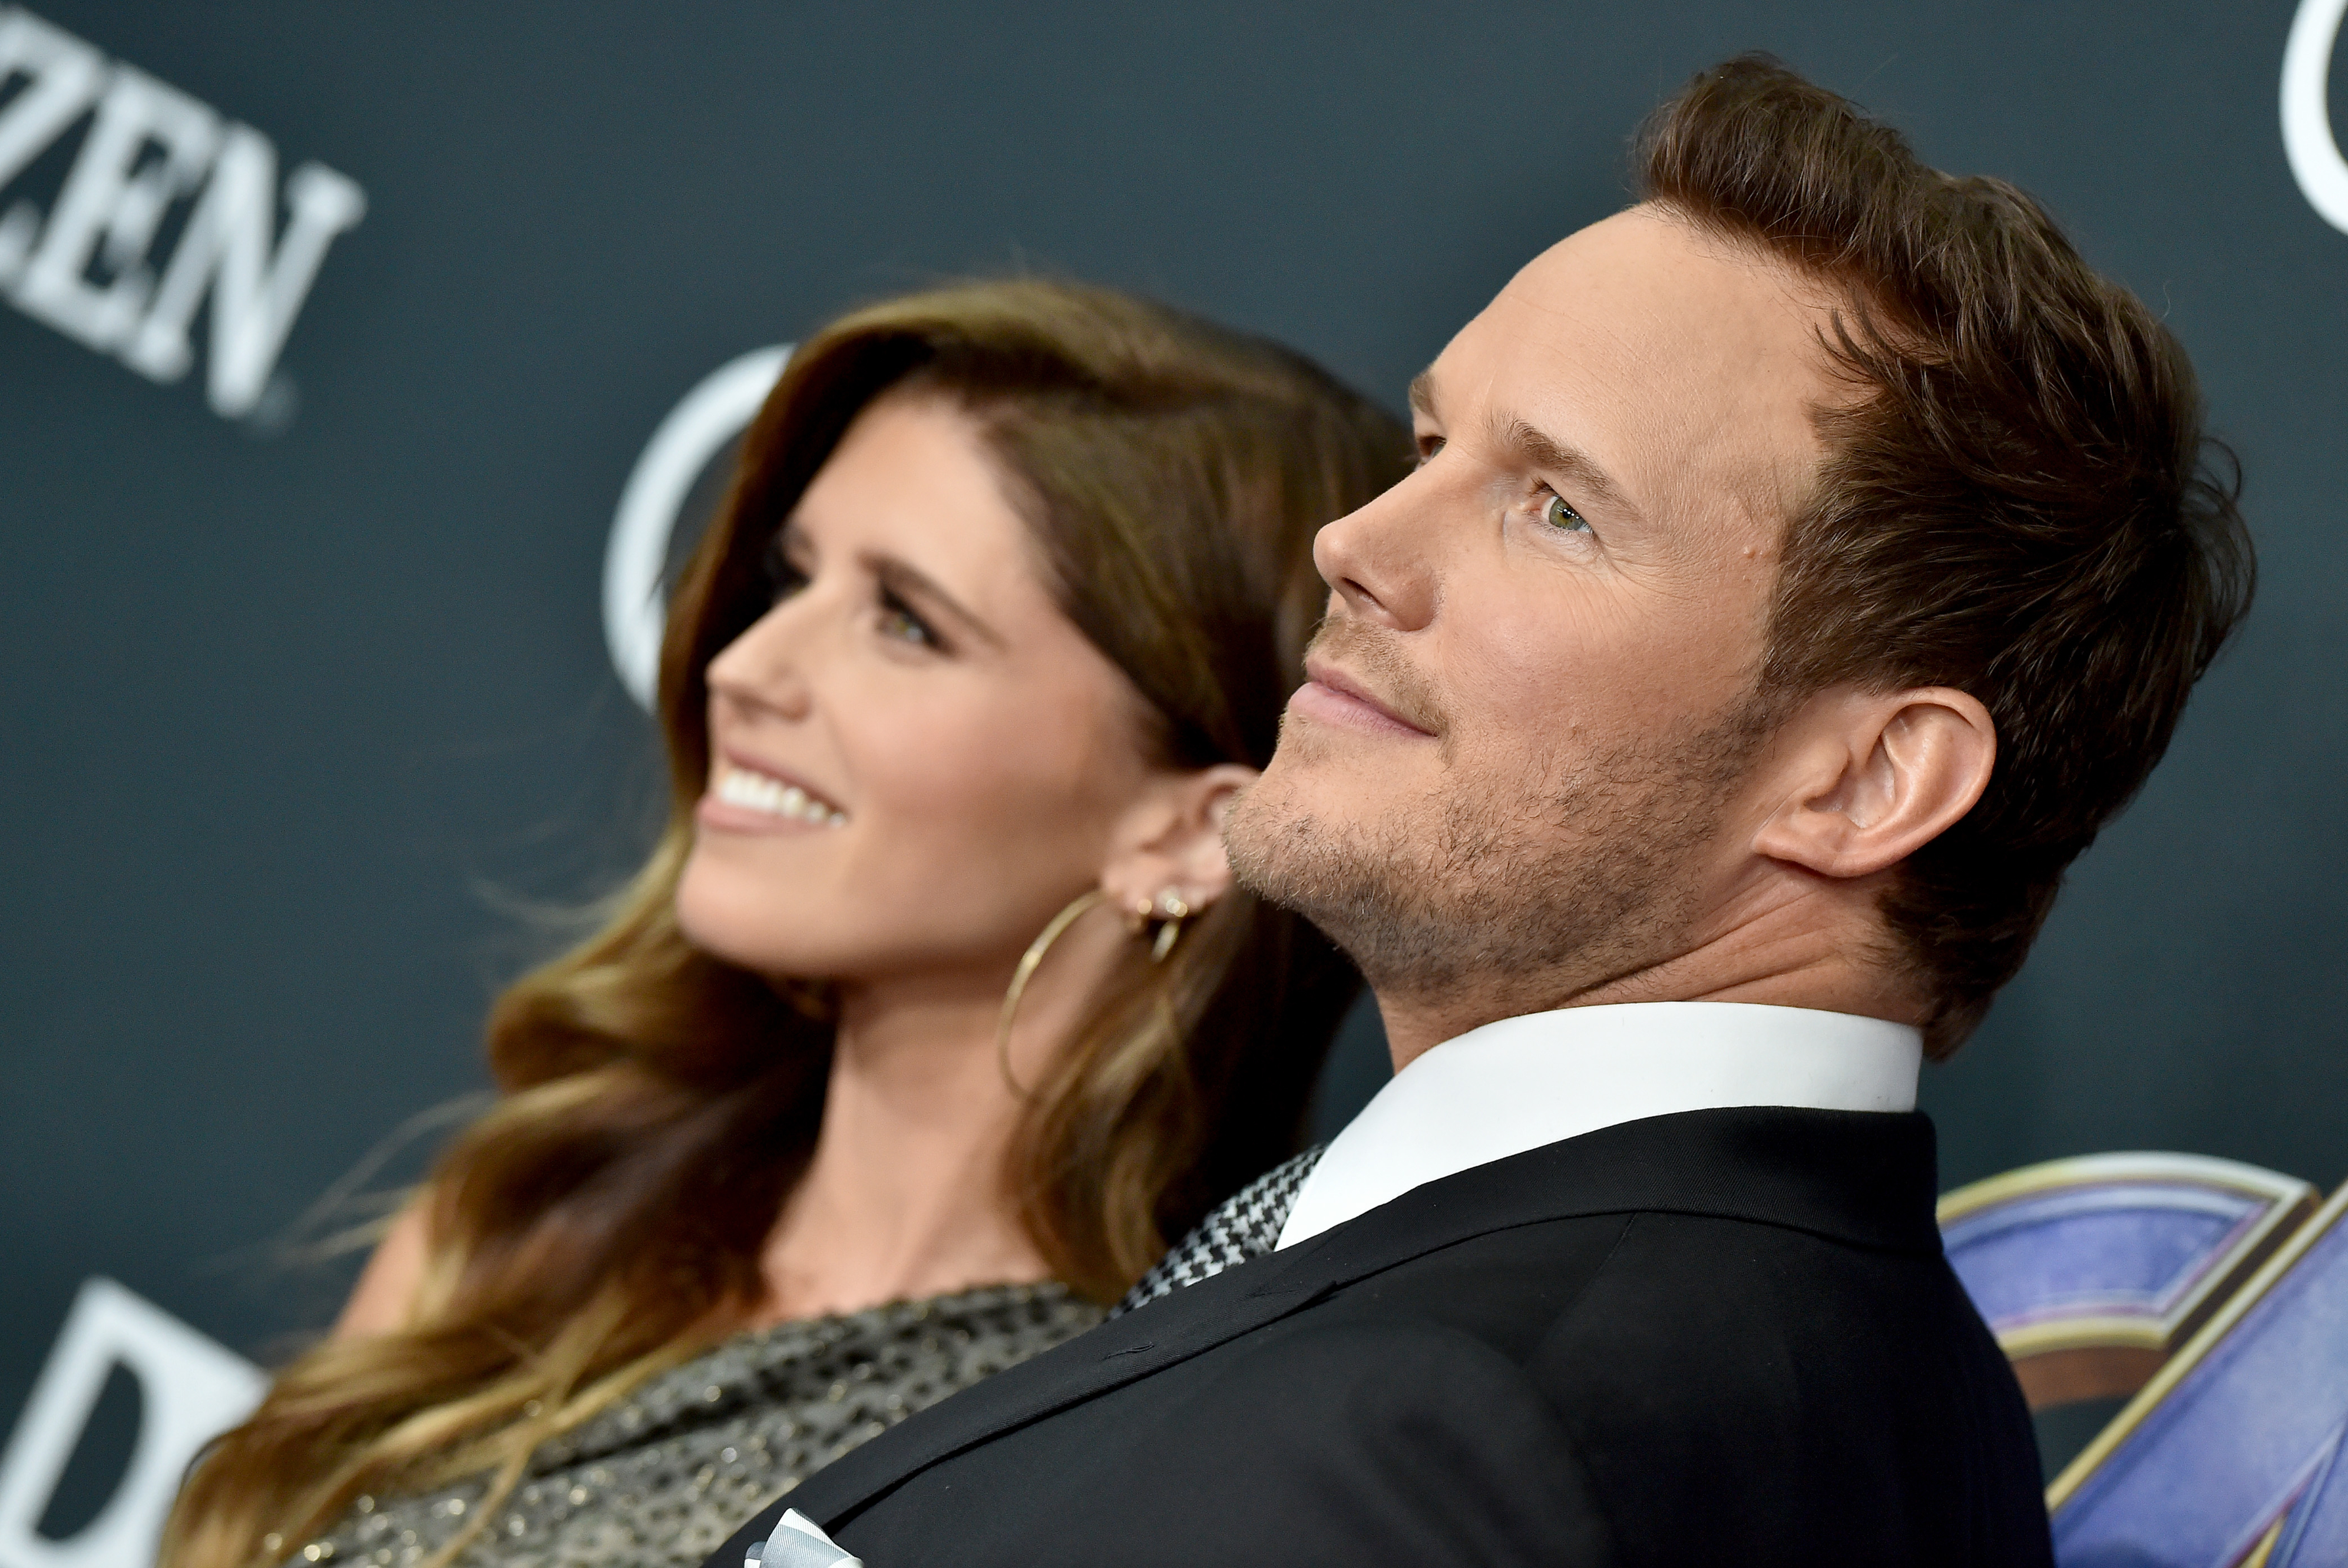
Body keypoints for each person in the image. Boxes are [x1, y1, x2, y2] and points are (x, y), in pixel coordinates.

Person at [703, 56, 2254, 1568]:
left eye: (1557, 508)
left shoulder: (1456, 1438)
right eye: (1433, 443)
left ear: (1863, 778)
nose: (1353, 540)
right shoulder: (1837, 1377)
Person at [159, 281, 1411, 1568]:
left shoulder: (1101, 1463)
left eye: (904, 623)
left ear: (1183, 833)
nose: (741, 666)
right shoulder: (543, 1223)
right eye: (789, 577)